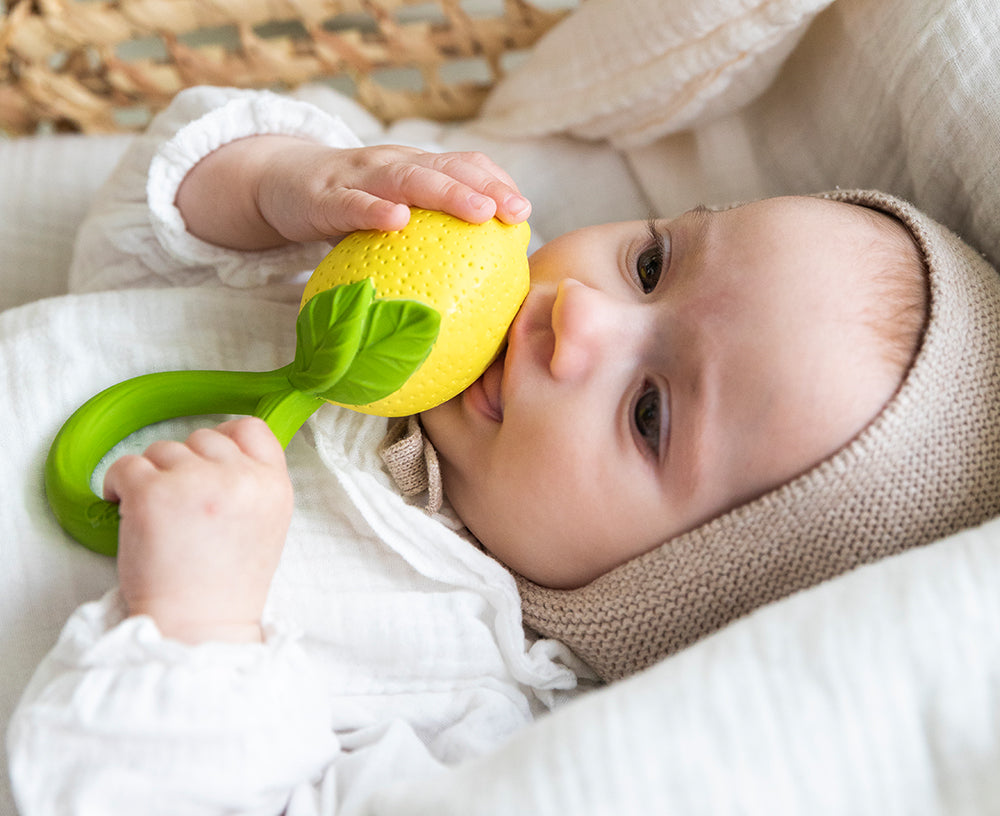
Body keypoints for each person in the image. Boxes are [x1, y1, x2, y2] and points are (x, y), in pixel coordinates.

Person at [9, 85, 1000, 814]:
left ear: (668, 592)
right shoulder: (357, 297)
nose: (577, 317)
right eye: (650, 264)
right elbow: (126, 249)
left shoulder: (468, 709)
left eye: (649, 413)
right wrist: (281, 186)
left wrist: (196, 626)